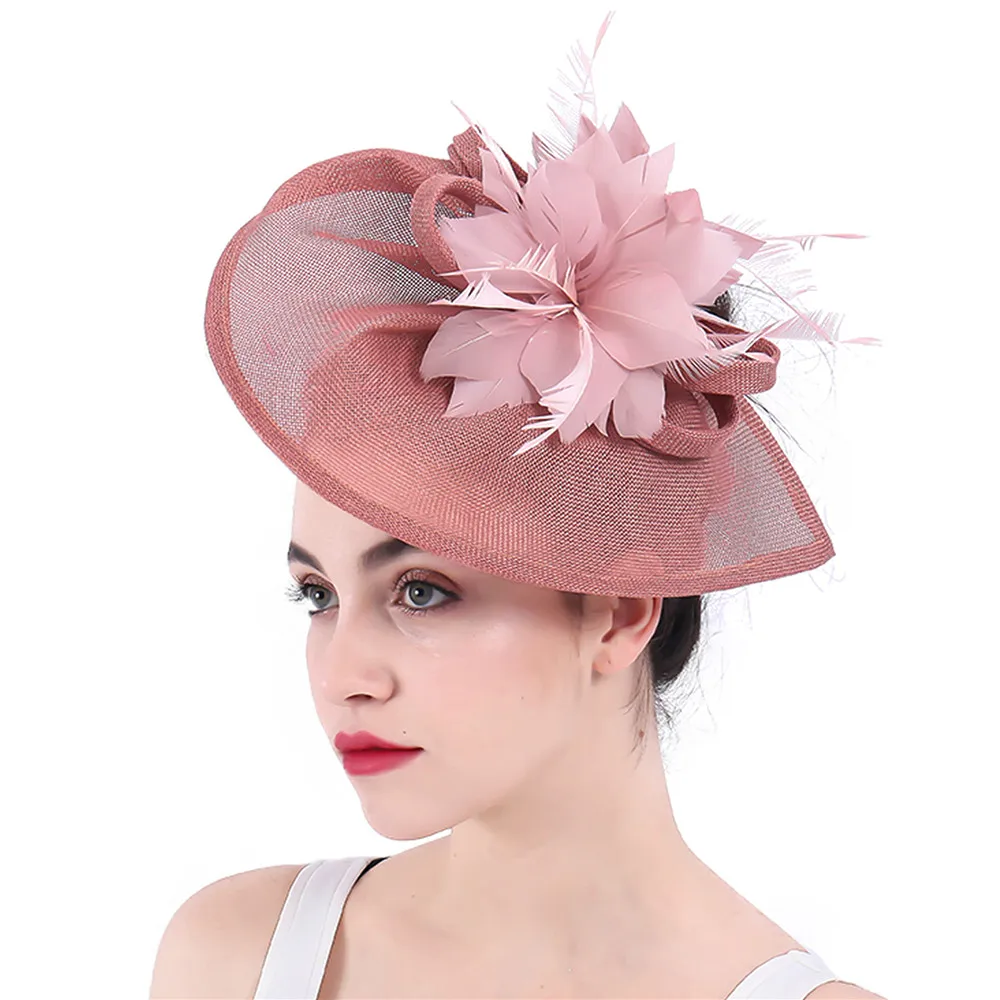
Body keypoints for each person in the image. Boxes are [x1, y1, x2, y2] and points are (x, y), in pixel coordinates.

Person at [151, 12, 886, 999]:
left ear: (619, 610)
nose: (341, 677)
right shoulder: (235, 957)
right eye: (317, 595)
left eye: (420, 591)